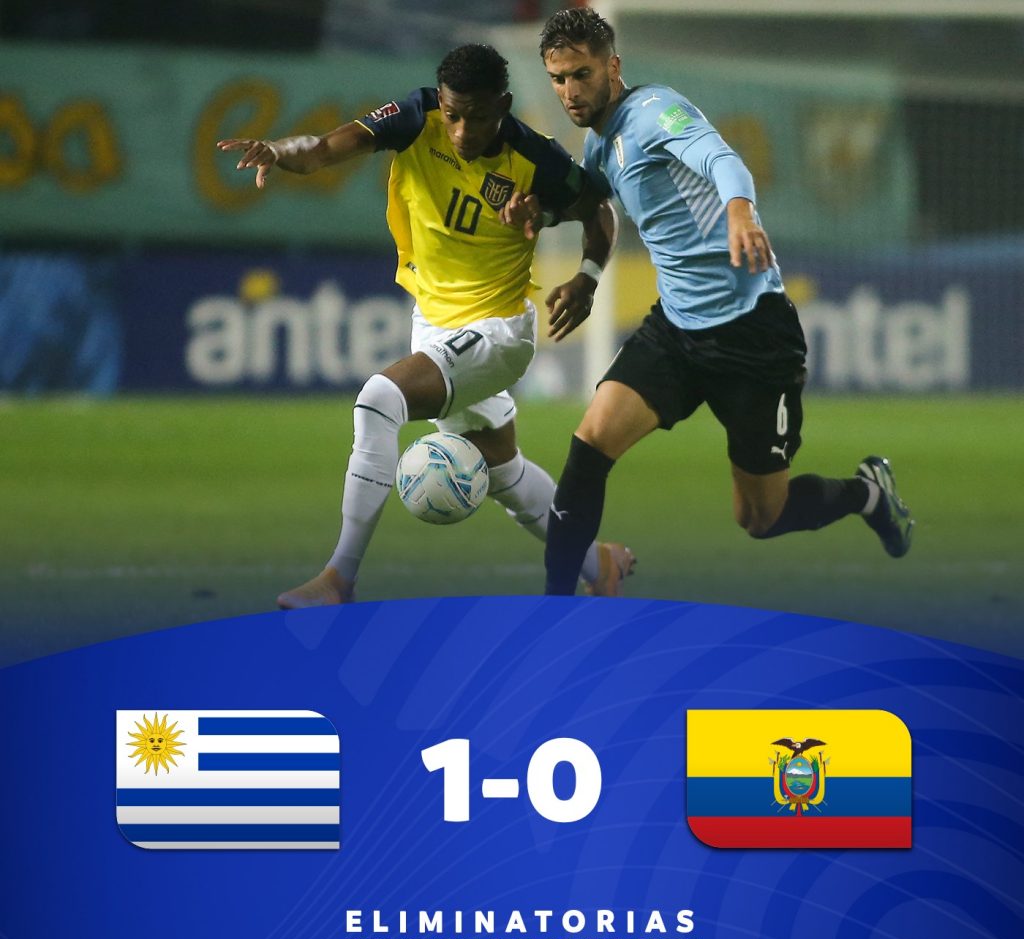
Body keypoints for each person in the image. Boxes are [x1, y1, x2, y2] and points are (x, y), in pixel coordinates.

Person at [217, 43, 634, 607]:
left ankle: (339, 578)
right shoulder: (415, 119)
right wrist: (277, 149)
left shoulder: (535, 157)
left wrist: (586, 276)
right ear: (440, 100)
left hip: (498, 331)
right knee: (501, 468)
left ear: (503, 105)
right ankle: (597, 563)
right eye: (454, 114)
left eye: (478, 117)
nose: (462, 131)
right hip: (434, 323)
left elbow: (600, 210)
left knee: (378, 400)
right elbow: (321, 149)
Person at [520, 8, 914, 596]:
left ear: (613, 67)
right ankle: (553, 609)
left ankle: (867, 494)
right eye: (558, 79)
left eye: (582, 74)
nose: (570, 91)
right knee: (591, 440)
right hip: (677, 332)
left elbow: (720, 158)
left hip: (752, 333)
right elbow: (592, 205)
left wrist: (739, 210)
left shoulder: (655, 112)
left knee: (760, 516)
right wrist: (578, 261)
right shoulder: (600, 144)